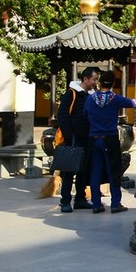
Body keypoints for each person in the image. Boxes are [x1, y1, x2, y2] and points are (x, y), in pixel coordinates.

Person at [84, 71, 136, 214]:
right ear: (113, 84)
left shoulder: (90, 99)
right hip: (110, 139)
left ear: (100, 83)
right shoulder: (115, 99)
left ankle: (96, 204)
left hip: (94, 139)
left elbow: (85, 114)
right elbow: (134, 103)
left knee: (95, 171)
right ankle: (115, 203)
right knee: (113, 170)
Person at [56, 66, 99, 212]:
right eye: (94, 79)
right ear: (85, 79)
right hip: (73, 138)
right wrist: (69, 136)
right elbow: (62, 116)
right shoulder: (71, 94)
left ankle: (80, 198)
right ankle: (65, 201)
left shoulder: (92, 96)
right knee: (69, 170)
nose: (95, 82)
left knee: (83, 170)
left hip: (87, 138)